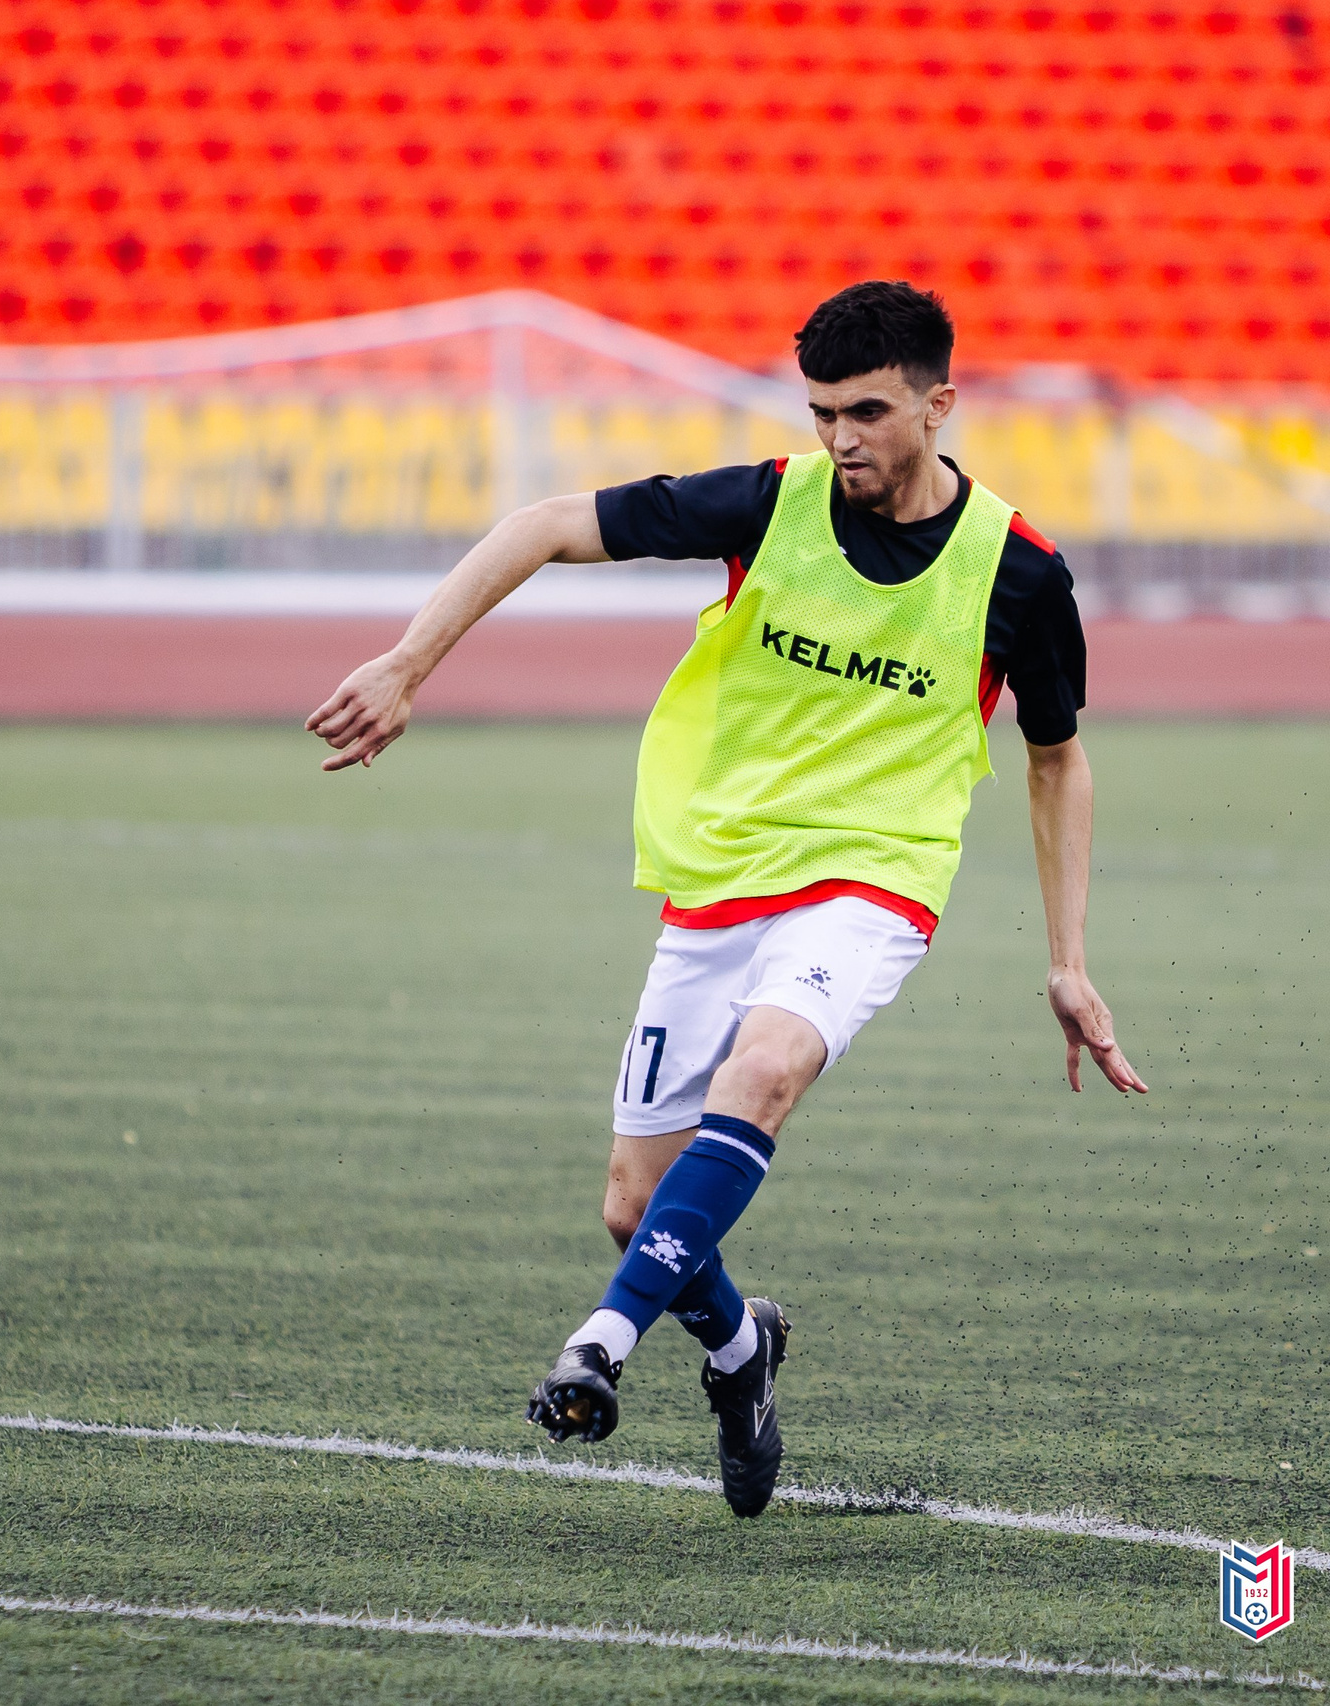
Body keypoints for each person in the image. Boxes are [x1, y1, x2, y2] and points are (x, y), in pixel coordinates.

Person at [306, 280, 1146, 1517]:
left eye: (866, 411)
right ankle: (741, 1350)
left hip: (871, 877)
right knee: (635, 1205)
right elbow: (541, 524)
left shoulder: (1019, 572)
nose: (841, 438)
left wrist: (1068, 958)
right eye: (821, 413)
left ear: (938, 404)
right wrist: (406, 660)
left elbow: (1055, 755)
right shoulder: (768, 500)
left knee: (760, 1078)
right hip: (717, 878)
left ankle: (599, 1344)